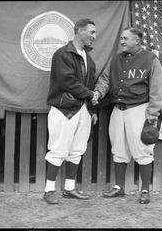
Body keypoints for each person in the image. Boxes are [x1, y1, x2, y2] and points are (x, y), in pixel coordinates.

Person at [93, 27, 162, 204]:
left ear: (137, 40)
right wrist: (97, 93)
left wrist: (152, 114)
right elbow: (104, 80)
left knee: (143, 150)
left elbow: (158, 89)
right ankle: (119, 188)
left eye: (126, 39)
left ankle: (144, 190)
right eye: (122, 38)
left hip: (139, 109)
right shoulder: (116, 59)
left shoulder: (150, 59)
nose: (122, 42)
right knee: (118, 148)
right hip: (118, 109)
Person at [43, 18, 99, 204]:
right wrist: (90, 95)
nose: (94, 36)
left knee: (77, 150)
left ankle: (69, 188)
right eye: (91, 32)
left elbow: (88, 85)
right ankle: (49, 190)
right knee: (58, 149)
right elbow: (67, 81)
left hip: (82, 109)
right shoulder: (63, 54)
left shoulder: (88, 59)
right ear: (80, 31)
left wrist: (91, 109)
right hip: (63, 108)